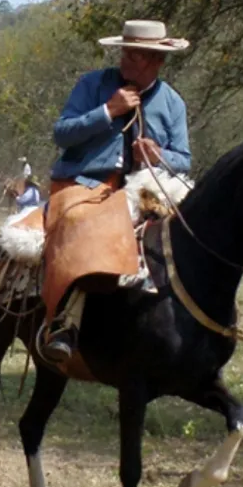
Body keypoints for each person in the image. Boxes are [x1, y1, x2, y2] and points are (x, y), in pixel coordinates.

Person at [40, 20, 191, 363]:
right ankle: (66, 321)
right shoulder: (92, 85)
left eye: (136, 55)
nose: (126, 59)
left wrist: (159, 155)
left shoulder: (172, 103)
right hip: (89, 185)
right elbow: (62, 133)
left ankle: (187, 320)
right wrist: (109, 111)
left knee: (194, 228)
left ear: (157, 61)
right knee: (83, 224)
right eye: (125, 51)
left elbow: (184, 159)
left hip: (148, 189)